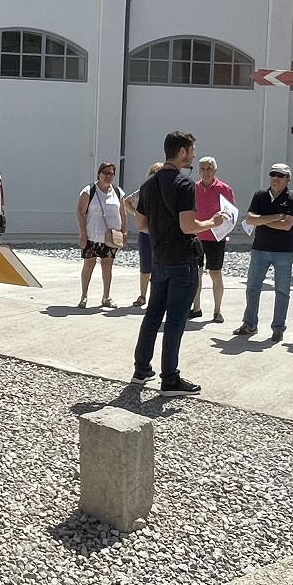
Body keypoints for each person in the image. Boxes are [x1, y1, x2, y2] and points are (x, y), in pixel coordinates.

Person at [132, 132, 226, 394]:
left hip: (159, 259)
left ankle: (141, 369)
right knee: (175, 321)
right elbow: (188, 226)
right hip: (182, 261)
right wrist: (212, 223)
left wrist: (161, 231)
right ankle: (170, 378)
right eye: (192, 150)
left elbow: (140, 223)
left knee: (152, 315)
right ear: (182, 151)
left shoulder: (148, 184)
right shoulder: (184, 185)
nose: (194, 154)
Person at [234, 164, 293, 340]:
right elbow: (249, 219)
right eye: (273, 174)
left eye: (281, 175)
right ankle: (249, 324)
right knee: (252, 288)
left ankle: (278, 328)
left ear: (287, 179)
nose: (276, 178)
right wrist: (276, 216)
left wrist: (261, 220)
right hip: (260, 249)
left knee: (282, 291)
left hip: (284, 251)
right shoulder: (260, 195)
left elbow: (287, 225)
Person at [191, 156, 236, 322]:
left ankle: (217, 311)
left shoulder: (224, 189)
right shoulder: (192, 187)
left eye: (209, 168)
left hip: (216, 237)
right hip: (196, 236)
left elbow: (231, 213)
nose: (205, 172)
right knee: (196, 273)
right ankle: (196, 308)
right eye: (202, 168)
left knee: (215, 273)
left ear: (215, 170)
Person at [76, 162, 126, 309]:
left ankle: (106, 297)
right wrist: (83, 235)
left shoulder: (117, 192)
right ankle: (84, 296)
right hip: (92, 235)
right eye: (105, 172)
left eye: (111, 173)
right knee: (88, 264)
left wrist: (124, 232)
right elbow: (80, 213)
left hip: (111, 237)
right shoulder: (89, 191)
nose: (108, 176)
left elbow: (122, 213)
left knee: (107, 265)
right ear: (99, 173)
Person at [124, 164, 160, 309]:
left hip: (161, 233)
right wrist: (137, 214)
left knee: (160, 266)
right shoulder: (144, 191)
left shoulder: (167, 191)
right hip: (146, 232)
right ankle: (143, 295)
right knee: (146, 264)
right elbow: (126, 201)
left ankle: (156, 296)